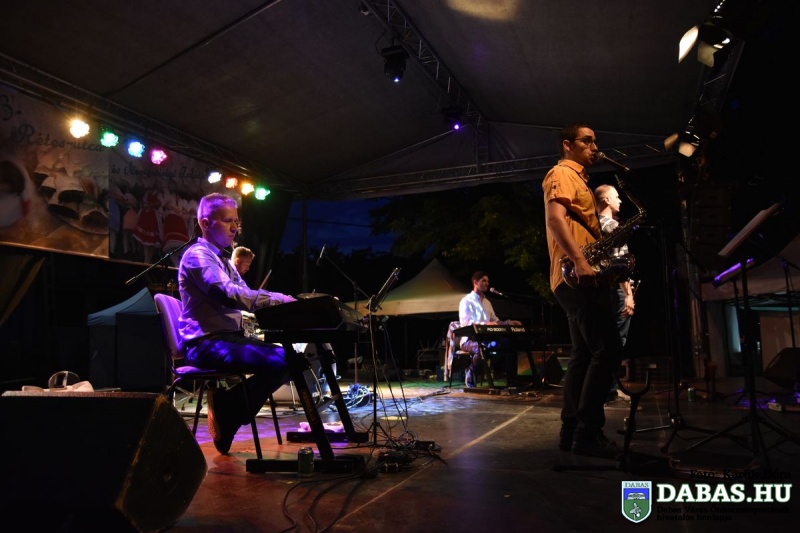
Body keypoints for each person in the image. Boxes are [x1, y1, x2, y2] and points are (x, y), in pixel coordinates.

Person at [178, 192, 296, 454]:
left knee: (291, 360)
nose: (235, 228)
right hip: (205, 343)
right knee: (285, 361)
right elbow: (227, 294)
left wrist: (280, 302)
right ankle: (228, 410)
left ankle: (227, 409)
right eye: (227, 221)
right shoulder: (198, 256)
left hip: (225, 339)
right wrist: (280, 301)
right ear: (206, 223)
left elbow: (246, 295)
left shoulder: (224, 260)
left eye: (236, 221)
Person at [543, 123, 623, 458]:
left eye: (595, 141)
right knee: (608, 350)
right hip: (577, 276)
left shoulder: (581, 180)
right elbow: (555, 219)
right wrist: (580, 261)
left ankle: (572, 431)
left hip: (580, 276)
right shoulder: (562, 173)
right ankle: (588, 433)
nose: (594, 146)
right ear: (568, 144)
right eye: (587, 141)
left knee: (584, 355)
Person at [594, 184, 635, 404]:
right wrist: (628, 295)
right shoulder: (613, 227)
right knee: (617, 341)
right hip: (616, 289)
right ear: (607, 201)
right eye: (616, 197)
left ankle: (604, 389)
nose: (620, 200)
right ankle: (609, 390)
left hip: (601, 289)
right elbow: (621, 265)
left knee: (604, 341)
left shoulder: (593, 225)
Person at [458, 271, 522, 388]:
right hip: (469, 340)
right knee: (482, 348)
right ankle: (471, 373)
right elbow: (467, 323)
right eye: (484, 281)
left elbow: (495, 321)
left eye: (488, 281)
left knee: (510, 344)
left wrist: (507, 323)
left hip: (487, 338)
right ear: (475, 282)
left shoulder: (487, 302)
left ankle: (512, 381)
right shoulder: (466, 301)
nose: (487, 283)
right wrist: (486, 324)